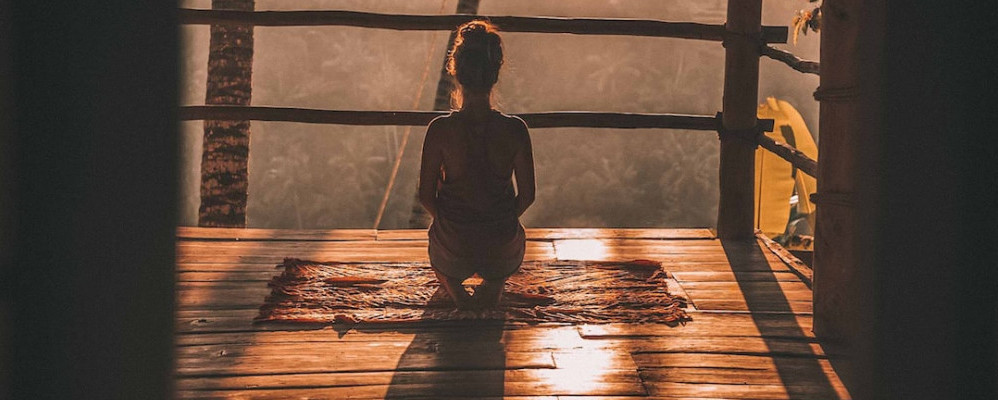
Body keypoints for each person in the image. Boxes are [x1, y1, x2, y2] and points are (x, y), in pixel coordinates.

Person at [418, 20, 536, 310]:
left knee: (441, 254)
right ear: (495, 73)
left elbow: (425, 196)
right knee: (506, 244)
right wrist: (499, 220)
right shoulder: (515, 130)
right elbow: (528, 195)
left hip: (454, 244)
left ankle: (455, 289)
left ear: (455, 71)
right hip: (500, 246)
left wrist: (452, 222)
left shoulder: (440, 130)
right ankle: (495, 281)